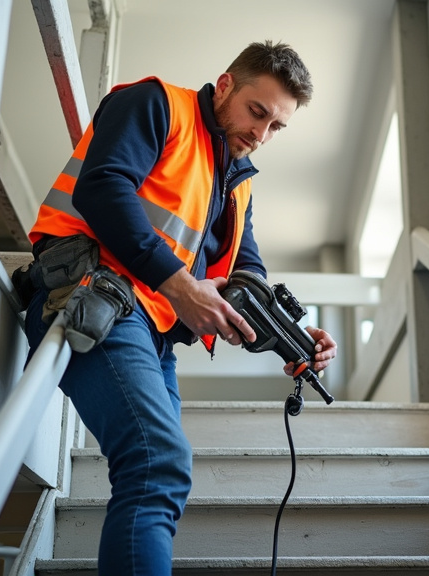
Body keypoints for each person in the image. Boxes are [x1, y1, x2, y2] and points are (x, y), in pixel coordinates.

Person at [23, 41, 338, 576]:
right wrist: (180, 286)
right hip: (95, 297)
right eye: (256, 112)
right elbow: (101, 187)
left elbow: (246, 271)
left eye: (276, 127)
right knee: (158, 464)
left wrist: (294, 338)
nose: (261, 134)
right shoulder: (157, 105)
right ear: (226, 85)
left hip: (154, 334)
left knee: (165, 474)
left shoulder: (236, 182)